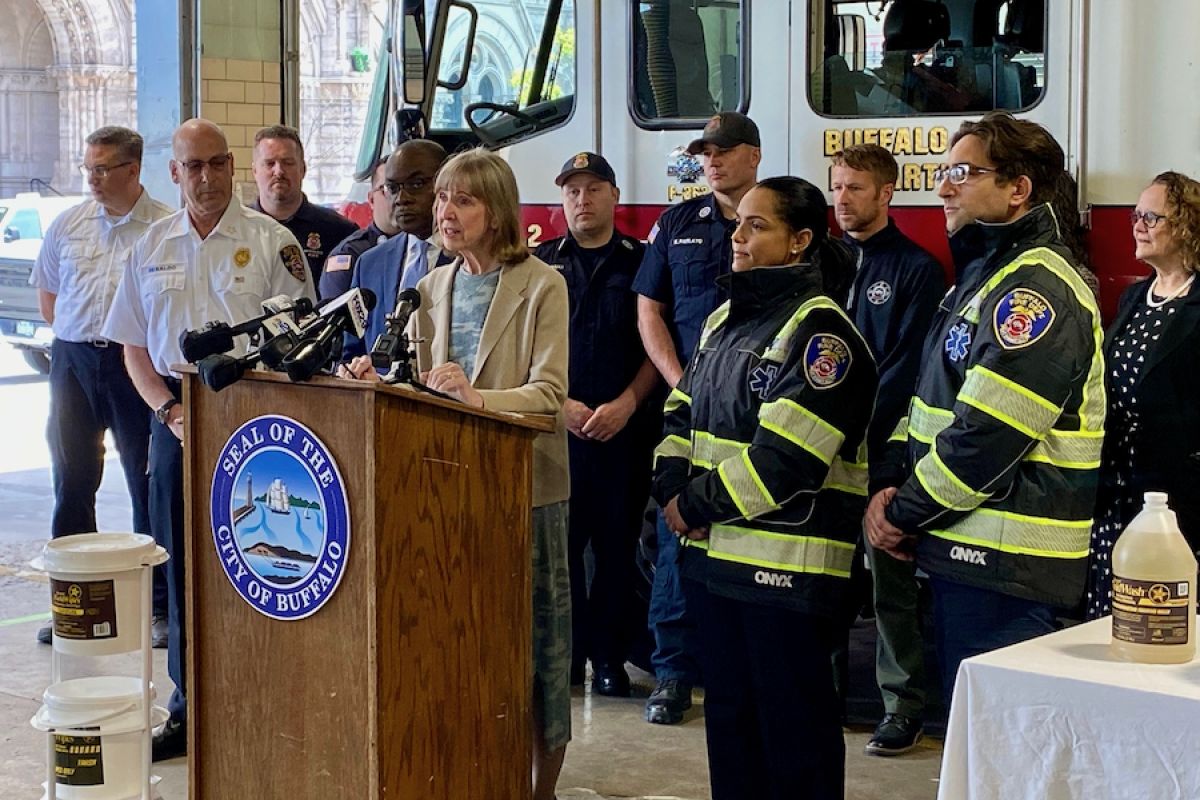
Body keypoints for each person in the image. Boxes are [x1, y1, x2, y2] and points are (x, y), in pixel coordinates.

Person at [340, 148, 570, 800]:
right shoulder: (432, 286)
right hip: (440, 497)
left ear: (497, 212)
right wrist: (376, 379)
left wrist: (479, 400)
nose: (445, 212)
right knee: (461, 649)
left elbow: (549, 397)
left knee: (534, 651)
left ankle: (539, 788)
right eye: (442, 199)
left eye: (462, 200)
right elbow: (417, 387)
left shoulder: (542, 286)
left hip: (523, 496)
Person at [865, 113, 1105, 707]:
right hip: (965, 552)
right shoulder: (982, 276)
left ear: (1018, 189)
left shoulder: (1035, 290)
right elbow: (926, 404)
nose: (944, 188)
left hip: (1009, 568)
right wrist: (889, 485)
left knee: (1004, 760)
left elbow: (985, 438)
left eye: (963, 173)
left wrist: (903, 513)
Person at [653, 176, 876, 799]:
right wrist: (671, 481)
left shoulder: (821, 336)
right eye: (737, 222)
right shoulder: (724, 319)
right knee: (731, 733)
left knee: (793, 742)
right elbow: (680, 411)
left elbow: (786, 463)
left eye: (758, 225)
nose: (738, 235)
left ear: (800, 241)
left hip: (788, 580)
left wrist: (691, 503)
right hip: (715, 566)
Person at [103, 118, 316, 761]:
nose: (205, 177)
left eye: (216, 164)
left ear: (232, 166)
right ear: (175, 173)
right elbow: (133, 348)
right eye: (192, 166)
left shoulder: (273, 243)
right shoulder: (151, 246)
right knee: (184, 561)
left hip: (254, 419)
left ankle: (260, 698)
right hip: (176, 418)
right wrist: (168, 412)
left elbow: (300, 339)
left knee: (264, 560)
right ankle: (188, 706)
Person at [632, 110, 762, 725]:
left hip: (760, 412)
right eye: (705, 151)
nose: (711, 160)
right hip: (688, 411)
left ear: (754, 155)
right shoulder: (677, 223)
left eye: (724, 150)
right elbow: (649, 310)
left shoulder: (779, 218)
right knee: (677, 533)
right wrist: (682, 382)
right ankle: (673, 674)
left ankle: (739, 668)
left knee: (752, 533)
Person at [30, 126, 173, 646]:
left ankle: (158, 609)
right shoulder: (68, 225)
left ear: (133, 170)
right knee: (71, 483)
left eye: (102, 168)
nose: (91, 178)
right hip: (71, 363)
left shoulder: (162, 228)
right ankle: (77, 606)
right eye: (87, 167)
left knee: (147, 486)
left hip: (133, 364)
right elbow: (50, 299)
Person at [831, 143, 944, 755]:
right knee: (821, 577)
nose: (843, 199)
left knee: (889, 584)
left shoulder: (917, 269)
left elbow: (906, 368)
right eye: (837, 187)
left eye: (855, 188)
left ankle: (902, 706)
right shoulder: (822, 261)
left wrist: (873, 440)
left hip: (881, 448)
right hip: (817, 454)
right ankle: (822, 694)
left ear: (886, 194)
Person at [533, 152, 659, 696]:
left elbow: (660, 342)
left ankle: (609, 660)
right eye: (571, 192)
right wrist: (560, 405)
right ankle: (567, 659)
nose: (581, 200)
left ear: (614, 196)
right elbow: (526, 348)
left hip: (621, 433)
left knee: (615, 552)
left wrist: (628, 404)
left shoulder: (643, 262)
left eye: (592, 189)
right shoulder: (539, 263)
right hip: (557, 433)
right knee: (559, 556)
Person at [1086, 171, 1200, 619]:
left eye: (1152, 217)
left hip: (1178, 494)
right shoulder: (1135, 296)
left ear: (1187, 225)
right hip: (1114, 485)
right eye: (1136, 215)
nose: (1138, 225)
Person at [343, 139, 449, 359]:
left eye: (417, 184)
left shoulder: (470, 259)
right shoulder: (370, 263)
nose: (401, 198)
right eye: (392, 188)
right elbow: (351, 350)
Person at [250, 124, 358, 285]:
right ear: (255, 171)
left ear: (303, 169)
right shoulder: (236, 229)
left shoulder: (340, 232)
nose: (279, 171)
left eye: (288, 163)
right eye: (269, 163)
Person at [317, 156, 400, 300]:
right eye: (388, 189)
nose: (398, 198)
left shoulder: (425, 250)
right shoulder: (350, 254)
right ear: (371, 199)